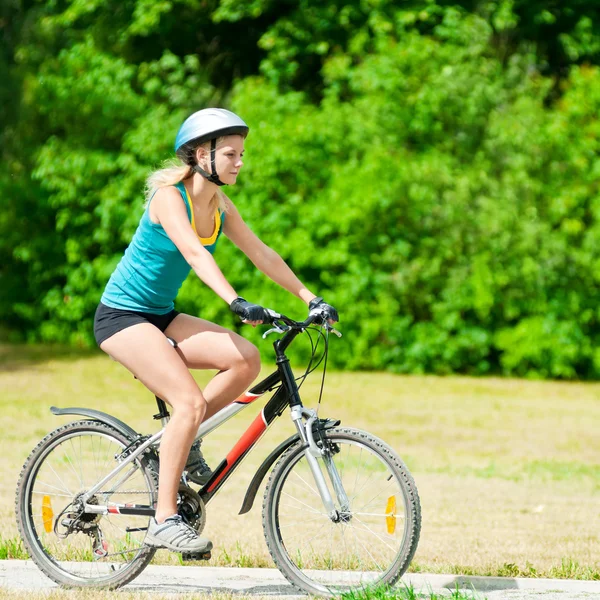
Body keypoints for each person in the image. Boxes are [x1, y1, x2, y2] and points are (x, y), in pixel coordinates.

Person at [93, 108, 338, 555]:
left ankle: (183, 440)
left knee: (245, 359)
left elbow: (262, 253)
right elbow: (193, 253)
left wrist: (309, 298)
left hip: (161, 315)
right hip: (122, 317)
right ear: (200, 154)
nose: (240, 162)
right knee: (187, 401)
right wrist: (234, 301)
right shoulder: (171, 198)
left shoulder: (221, 206)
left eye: (242, 153)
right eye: (231, 154)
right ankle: (164, 520)